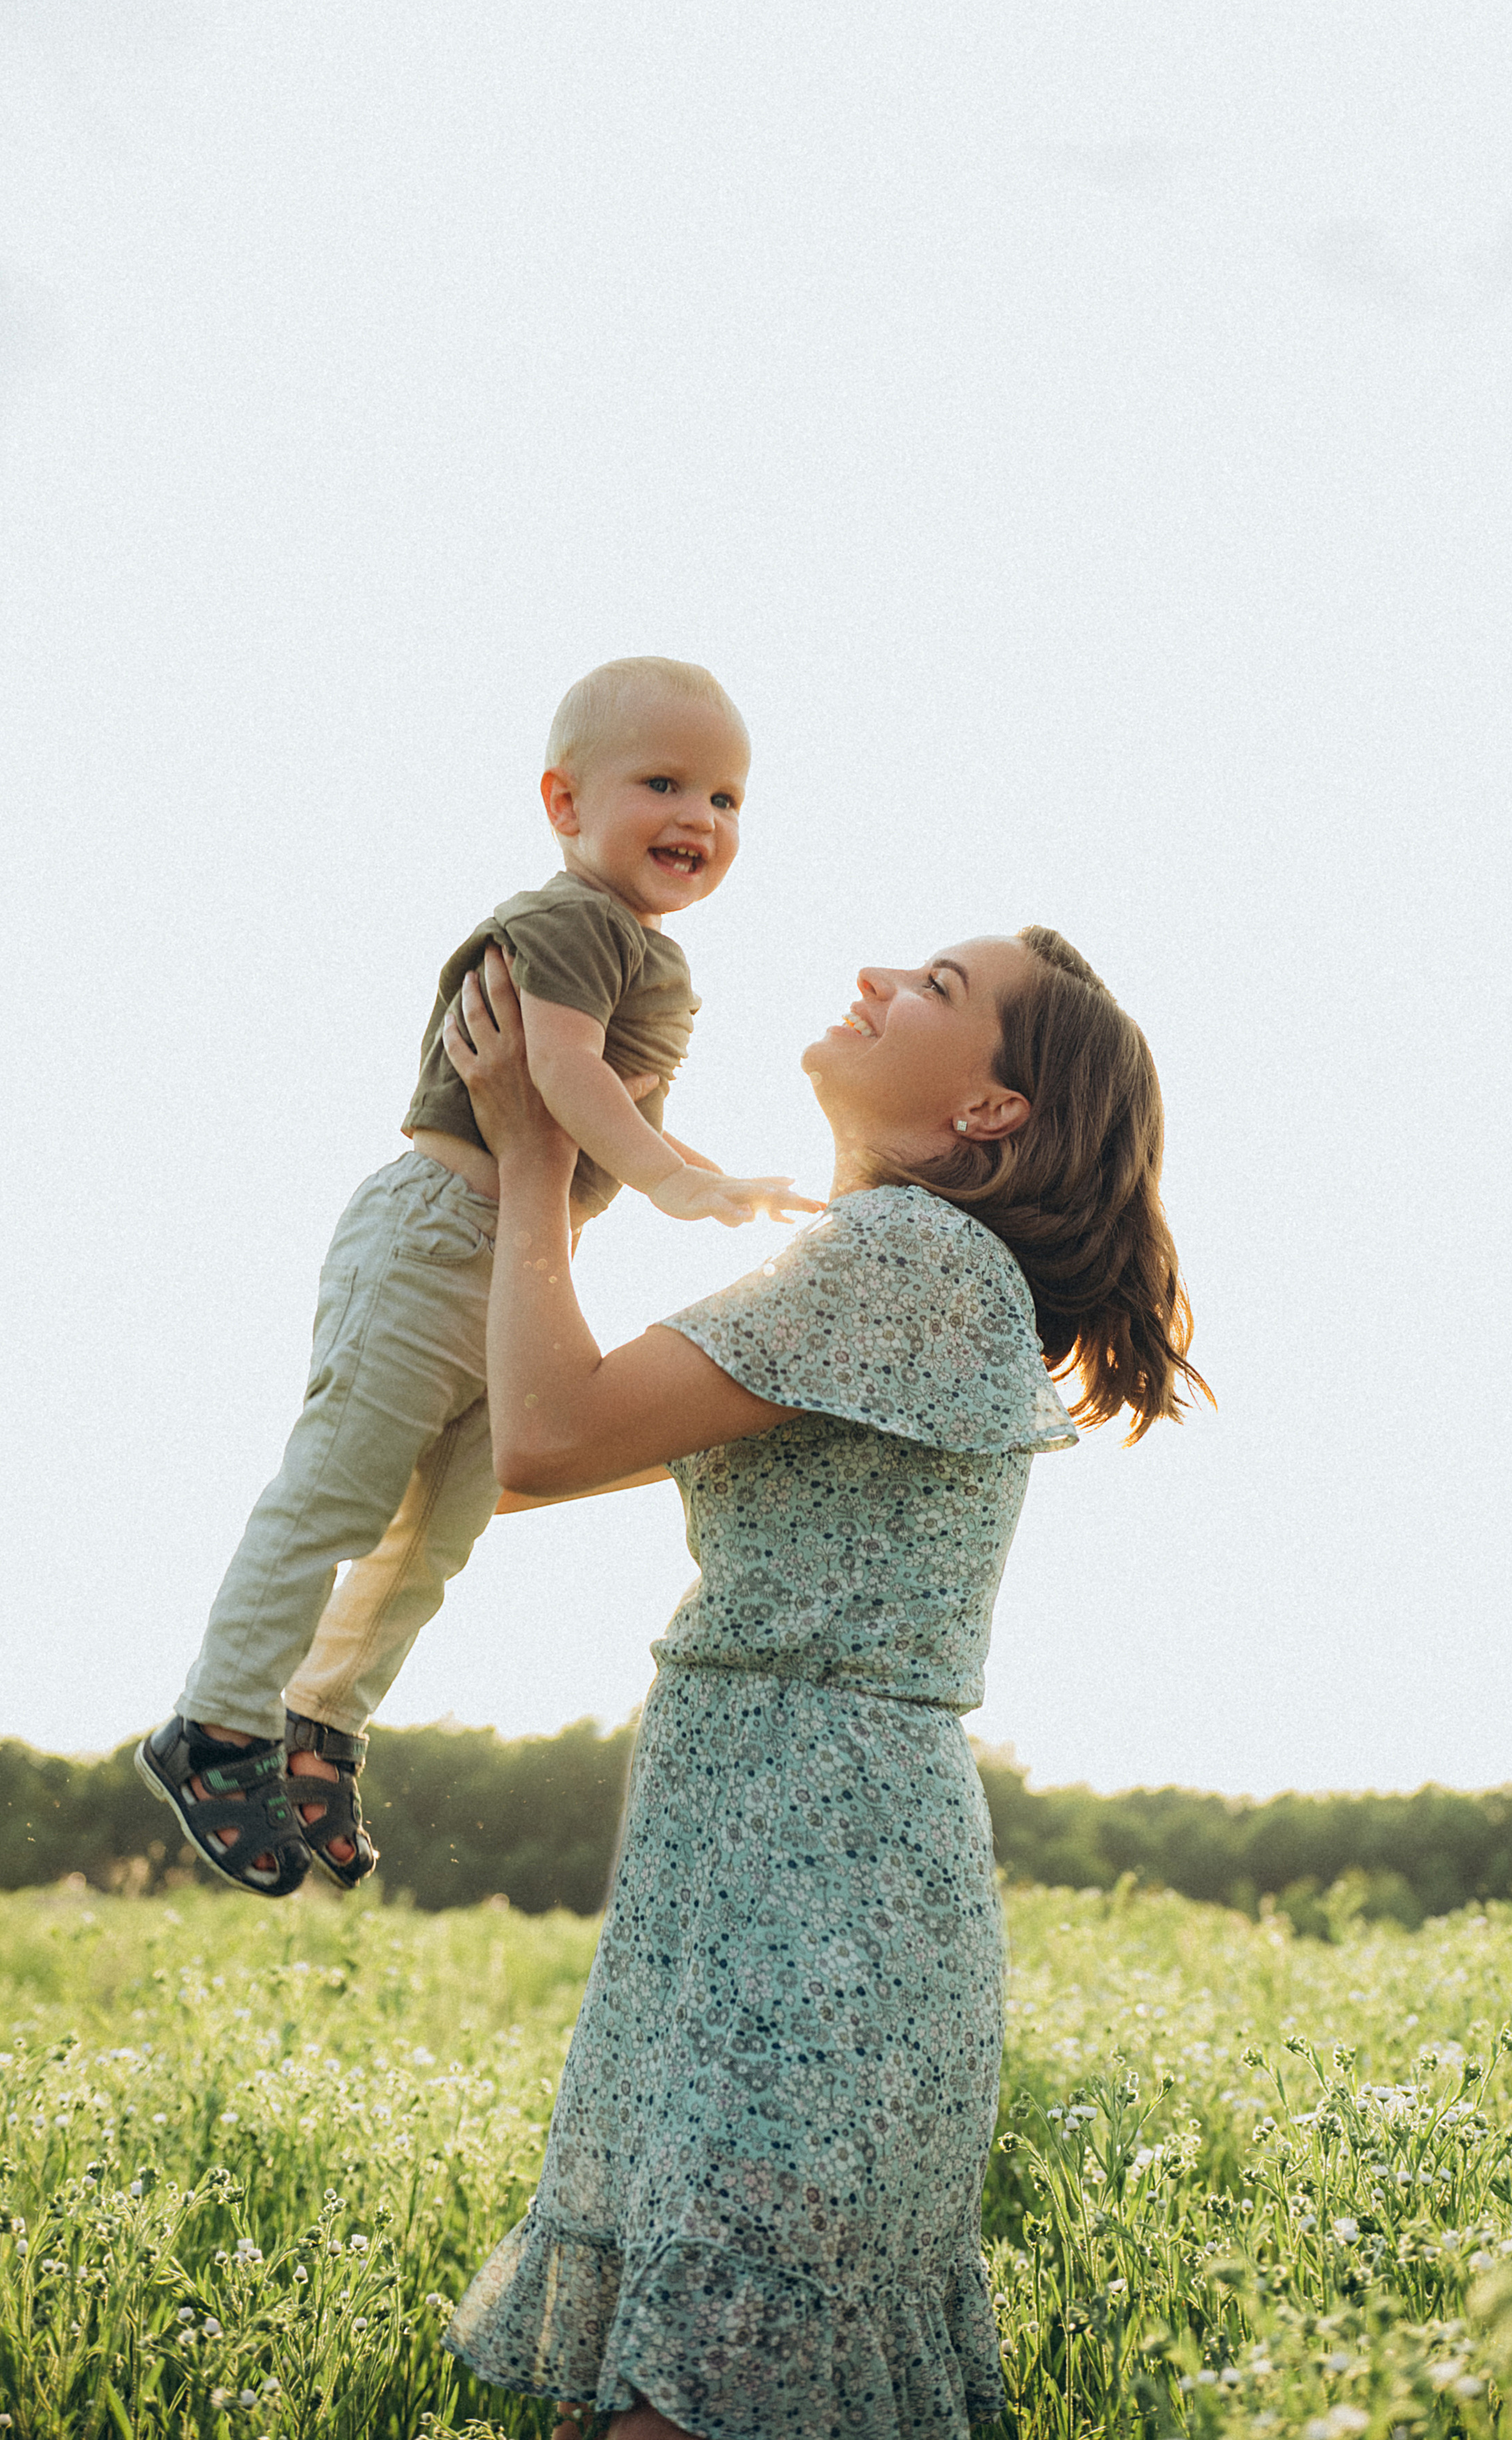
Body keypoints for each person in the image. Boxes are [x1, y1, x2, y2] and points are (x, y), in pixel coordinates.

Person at [440, 929, 1209, 2440]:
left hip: (817, 1910)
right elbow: (513, 1465)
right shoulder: (880, 1271)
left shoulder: (904, 1258)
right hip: (756, 1881)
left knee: (688, 2400)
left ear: (990, 1110)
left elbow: (535, 1440)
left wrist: (535, 1152)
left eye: (934, 987)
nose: (874, 975)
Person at [135, 656, 815, 1898]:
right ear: (564, 803)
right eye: (663, 783)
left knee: (437, 1529)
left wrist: (710, 1176)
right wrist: (670, 1183)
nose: (700, 820)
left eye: (727, 799)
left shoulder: (648, 956)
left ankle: (320, 1727)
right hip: (437, 1234)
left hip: (512, 1258)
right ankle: (218, 1722)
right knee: (339, 1491)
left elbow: (613, 1099)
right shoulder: (568, 922)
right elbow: (558, 1074)